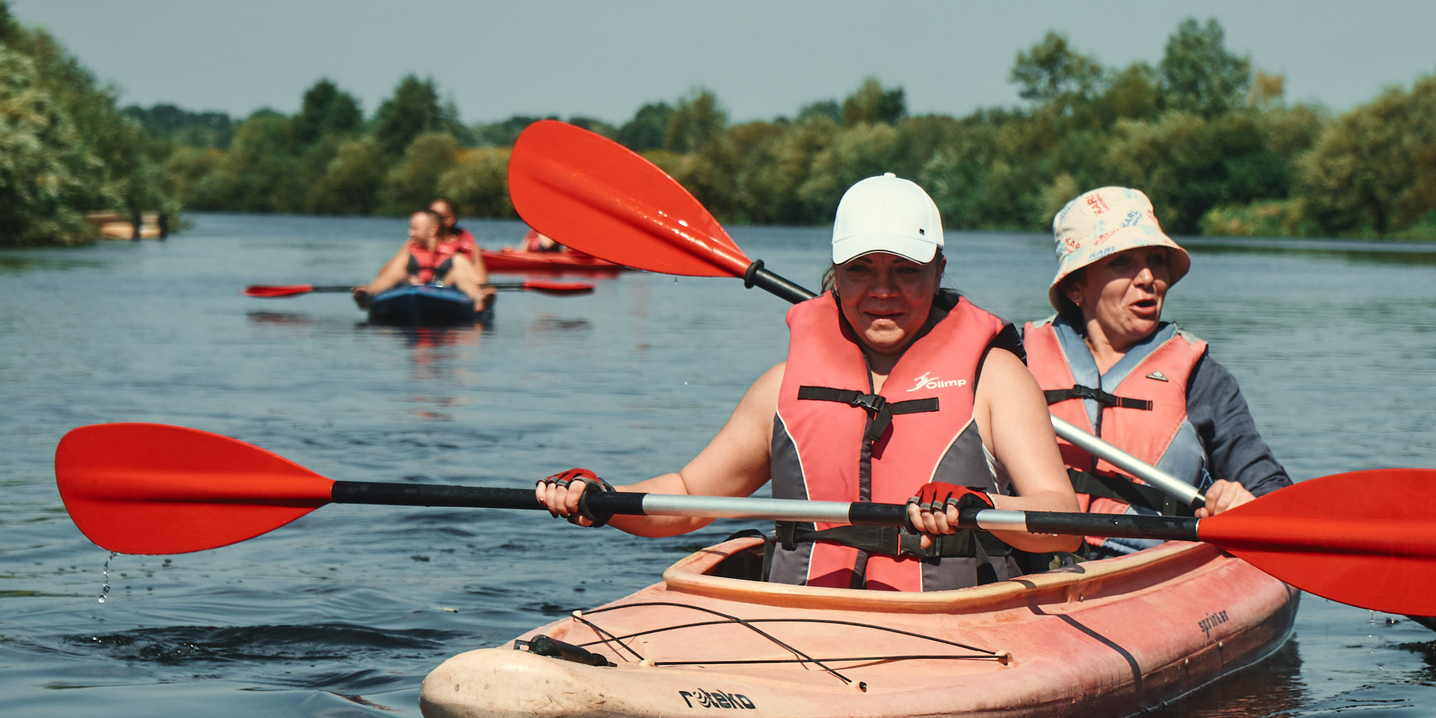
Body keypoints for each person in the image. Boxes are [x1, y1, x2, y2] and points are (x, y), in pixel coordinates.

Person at [537, 174, 1078, 590]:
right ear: (836, 274)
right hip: (806, 617)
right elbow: (687, 497)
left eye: (906, 271)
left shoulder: (995, 380)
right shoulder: (781, 387)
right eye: (861, 270)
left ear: (939, 270)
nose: (883, 291)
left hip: (952, 623)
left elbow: (1063, 519)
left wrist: (979, 503)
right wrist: (602, 498)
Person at [1021, 187, 1288, 554]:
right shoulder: (1016, 363)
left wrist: (1245, 499)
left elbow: (1272, 491)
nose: (1148, 277)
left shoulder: (1203, 380)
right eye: (1122, 262)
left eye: (1156, 261)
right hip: (1028, 565)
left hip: (1148, 574)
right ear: (1075, 286)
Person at [354, 209, 493, 311]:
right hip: (414, 284)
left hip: (445, 286)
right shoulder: (409, 250)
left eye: (414, 229)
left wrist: (483, 289)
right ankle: (367, 296)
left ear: (432, 230)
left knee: (459, 272)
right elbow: (384, 274)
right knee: (398, 273)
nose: (410, 233)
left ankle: (480, 300)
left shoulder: (455, 254)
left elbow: (478, 280)